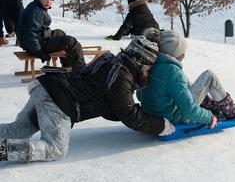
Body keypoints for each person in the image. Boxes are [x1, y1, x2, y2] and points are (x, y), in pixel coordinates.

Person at [0, 36, 175, 162]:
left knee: (18, 129)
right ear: (141, 63)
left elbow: (112, 108)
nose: (149, 74)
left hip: (46, 87)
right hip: (57, 102)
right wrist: (161, 125)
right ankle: (3, 151)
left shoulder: (112, 62)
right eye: (149, 69)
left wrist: (136, 112)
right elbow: (128, 115)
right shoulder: (121, 78)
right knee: (55, 150)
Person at [137, 30, 235, 127]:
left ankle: (207, 104)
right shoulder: (172, 71)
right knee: (209, 76)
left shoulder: (150, 63)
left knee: (181, 79)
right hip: (175, 118)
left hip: (154, 116)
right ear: (175, 53)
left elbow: (140, 95)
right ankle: (231, 110)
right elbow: (188, 112)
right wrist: (209, 118)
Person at [17, 0, 85, 72]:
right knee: (71, 42)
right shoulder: (36, 11)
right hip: (36, 45)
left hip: (36, 40)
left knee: (59, 33)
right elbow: (30, 34)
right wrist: (39, 52)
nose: (48, 2)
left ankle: (67, 65)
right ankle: (81, 70)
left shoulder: (36, 7)